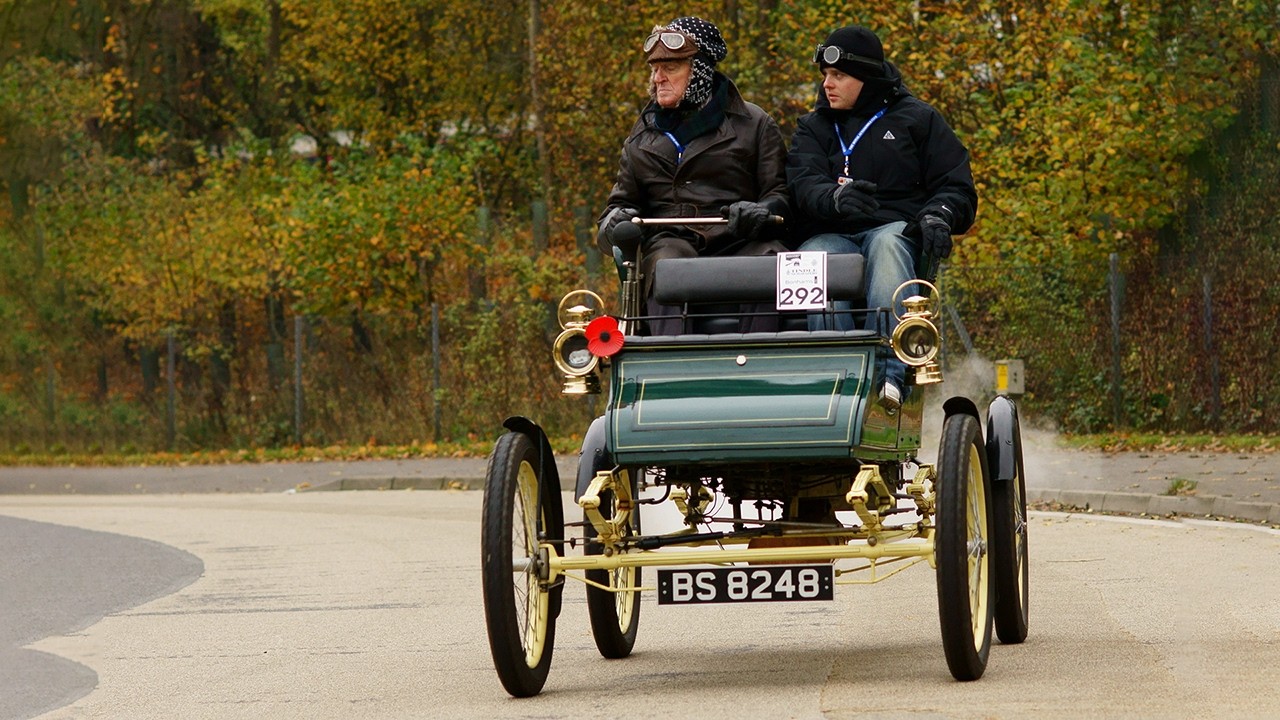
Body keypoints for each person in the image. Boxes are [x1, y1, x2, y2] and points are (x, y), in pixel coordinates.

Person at [786, 25, 977, 410]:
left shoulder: (918, 119)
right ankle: (833, 380)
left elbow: (955, 187)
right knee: (811, 259)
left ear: (866, 76)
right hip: (832, 231)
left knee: (888, 244)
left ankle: (891, 375)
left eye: (838, 75)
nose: (827, 84)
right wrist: (834, 198)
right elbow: (802, 183)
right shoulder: (813, 127)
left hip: (893, 228)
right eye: (825, 75)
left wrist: (939, 216)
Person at [597, 16, 790, 335]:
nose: (658, 78)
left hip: (742, 238)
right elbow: (611, 218)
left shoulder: (755, 124)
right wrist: (614, 222)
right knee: (669, 265)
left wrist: (761, 212)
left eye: (670, 68)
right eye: (654, 68)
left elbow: (782, 197)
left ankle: (759, 365)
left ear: (700, 70)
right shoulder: (640, 138)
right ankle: (670, 374)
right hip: (672, 241)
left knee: (772, 258)